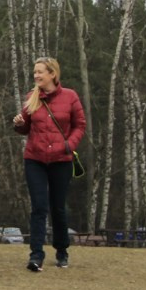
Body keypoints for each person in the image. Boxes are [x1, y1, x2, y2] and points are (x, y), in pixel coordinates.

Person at [12, 56, 86, 272]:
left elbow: (80, 125)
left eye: (40, 72)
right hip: (34, 158)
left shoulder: (70, 96)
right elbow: (25, 129)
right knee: (39, 207)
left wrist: (68, 145)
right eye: (35, 72)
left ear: (52, 74)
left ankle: (62, 250)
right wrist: (18, 124)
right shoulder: (31, 97)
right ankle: (36, 255)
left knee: (58, 208)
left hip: (61, 160)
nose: (36, 76)